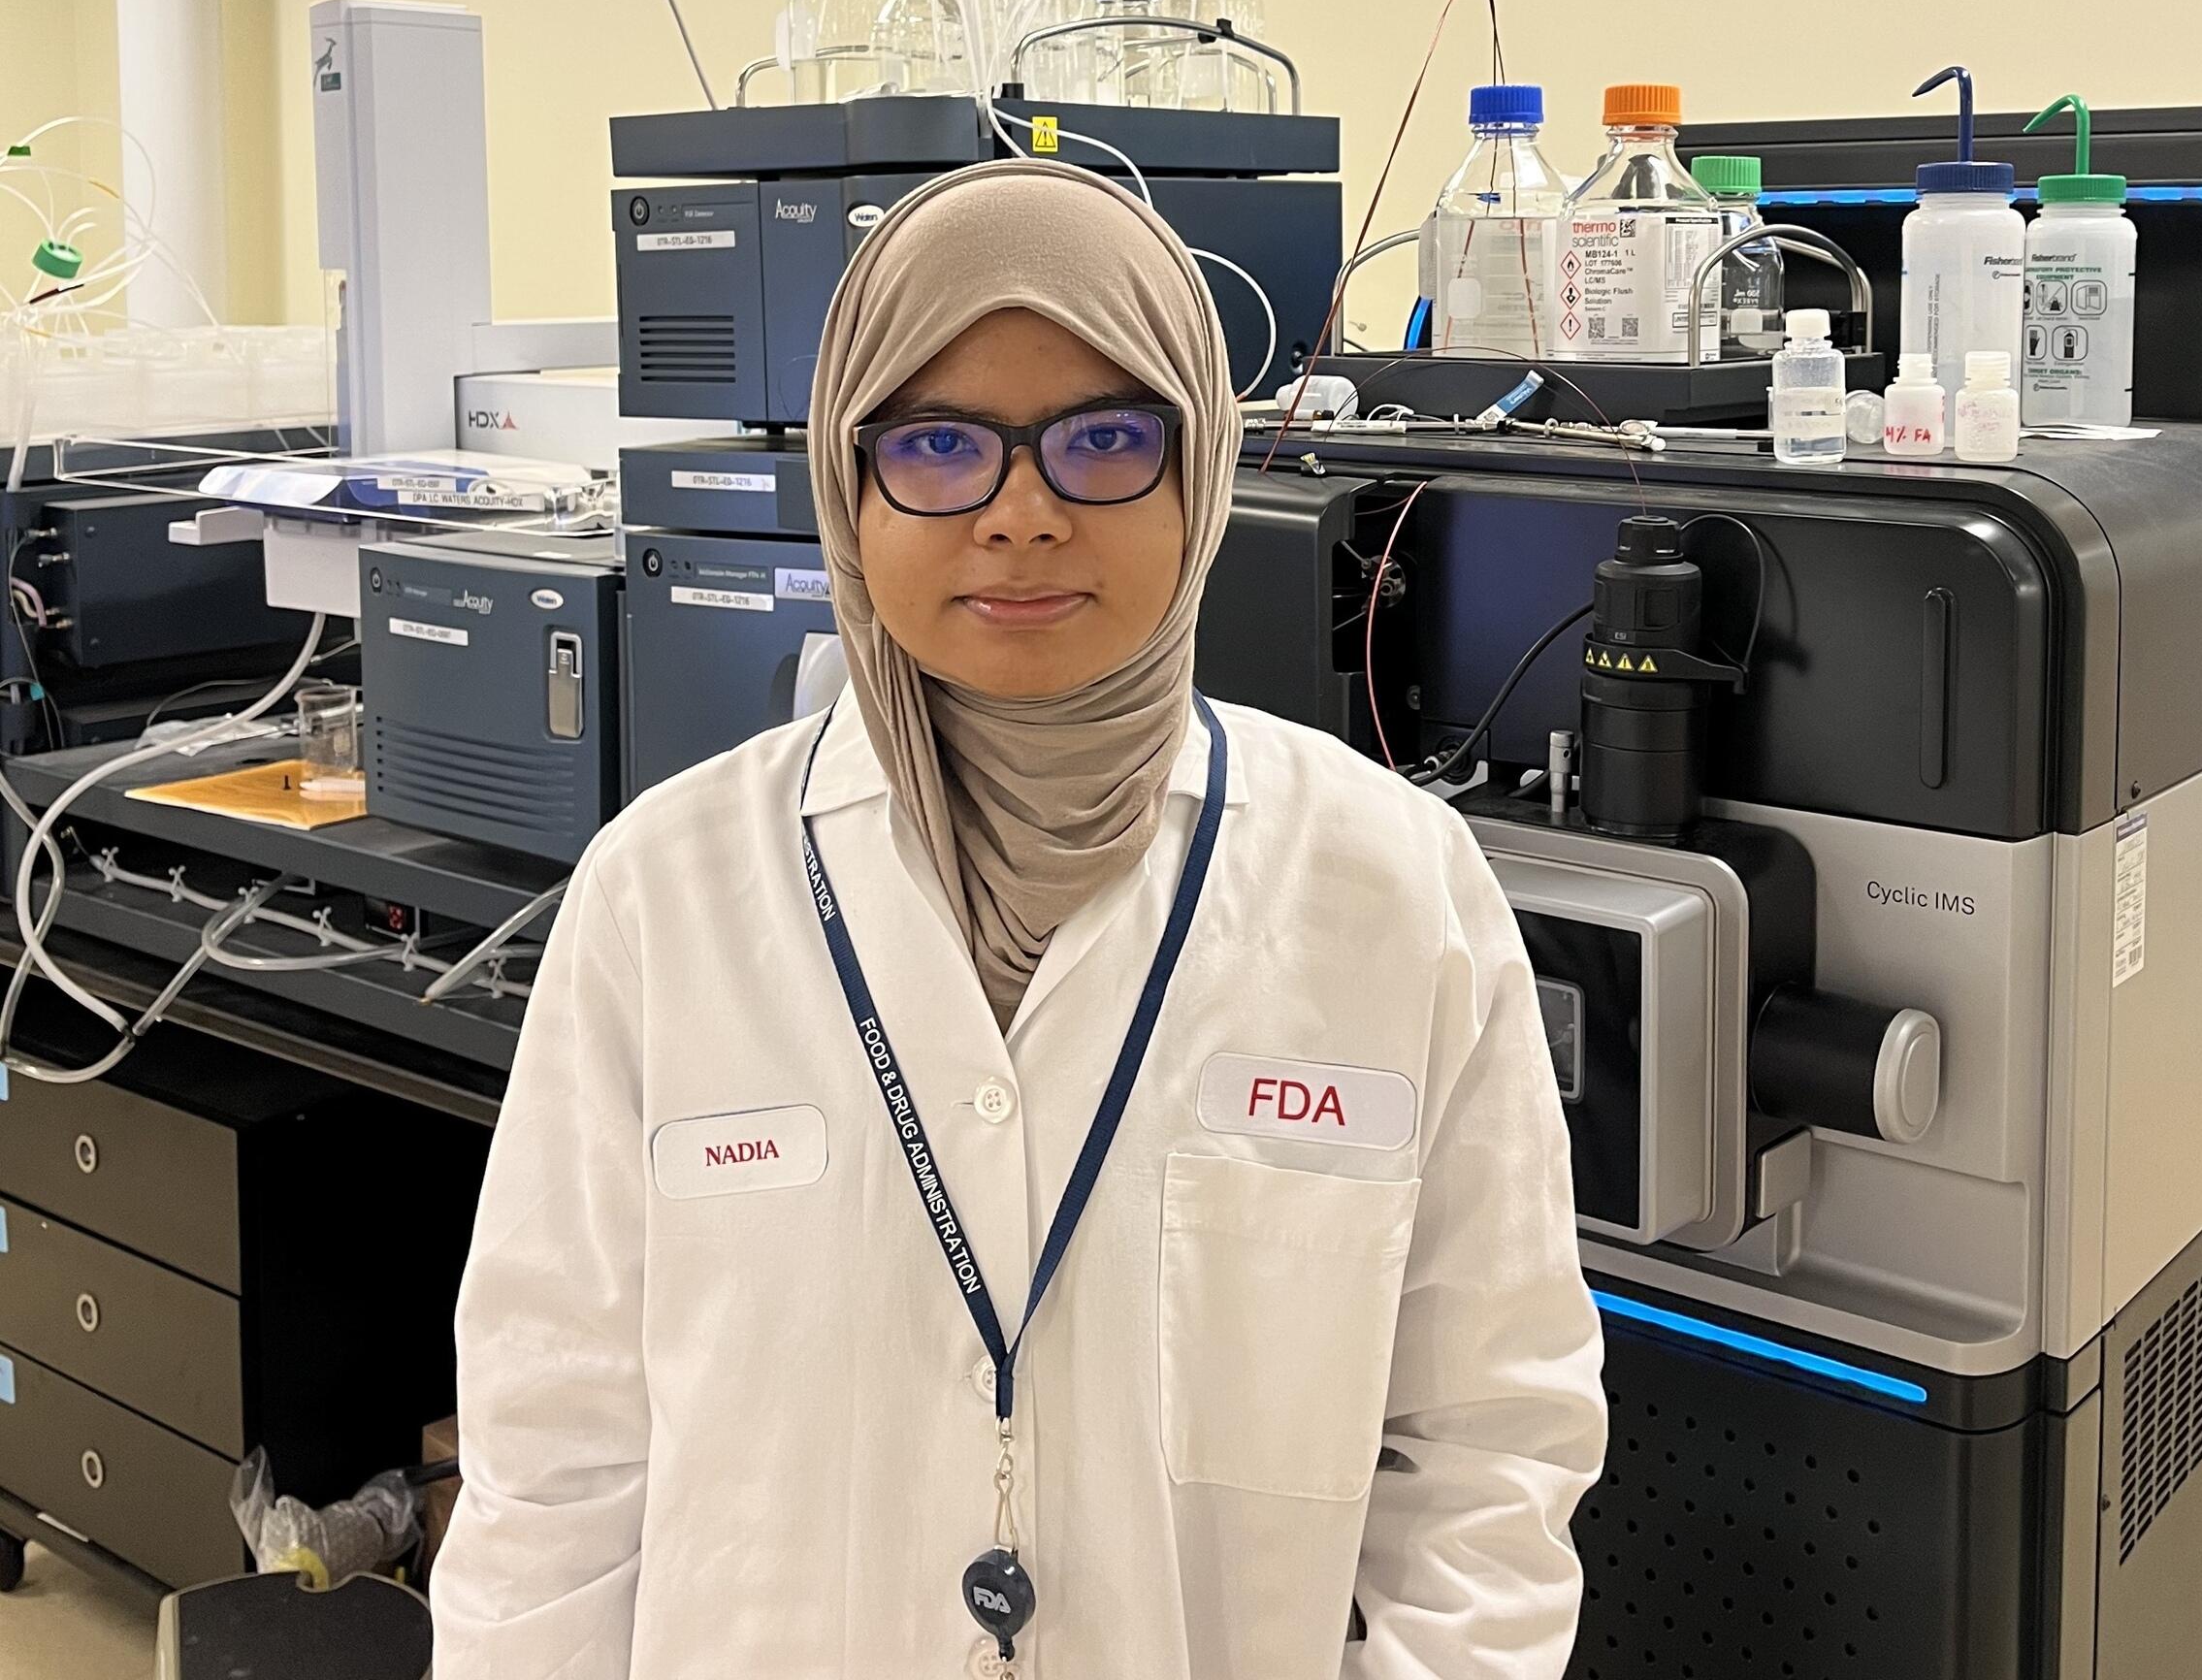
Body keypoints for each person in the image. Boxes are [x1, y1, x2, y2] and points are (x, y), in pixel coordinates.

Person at [430, 162, 1607, 1677]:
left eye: (1107, 438)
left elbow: (1491, 1453)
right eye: (936, 446)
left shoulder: (1394, 892)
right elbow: (555, 1461)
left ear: (1208, 466)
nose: (1024, 516)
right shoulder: (664, 897)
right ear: (847, 491)